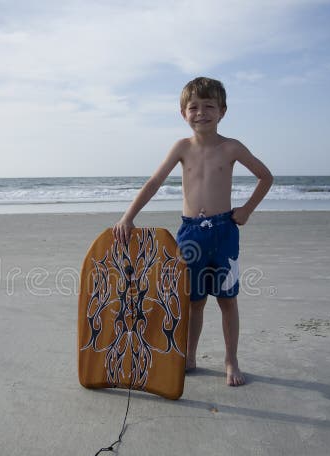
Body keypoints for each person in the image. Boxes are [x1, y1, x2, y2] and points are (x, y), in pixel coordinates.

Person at [113, 77, 273, 386]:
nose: (201, 113)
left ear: (222, 111)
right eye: (194, 107)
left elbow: (265, 177)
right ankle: (189, 355)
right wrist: (127, 216)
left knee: (227, 300)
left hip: (225, 232)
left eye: (209, 106)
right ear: (183, 113)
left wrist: (246, 210)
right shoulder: (181, 147)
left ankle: (231, 360)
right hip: (190, 236)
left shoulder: (232, 147)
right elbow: (154, 183)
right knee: (193, 301)